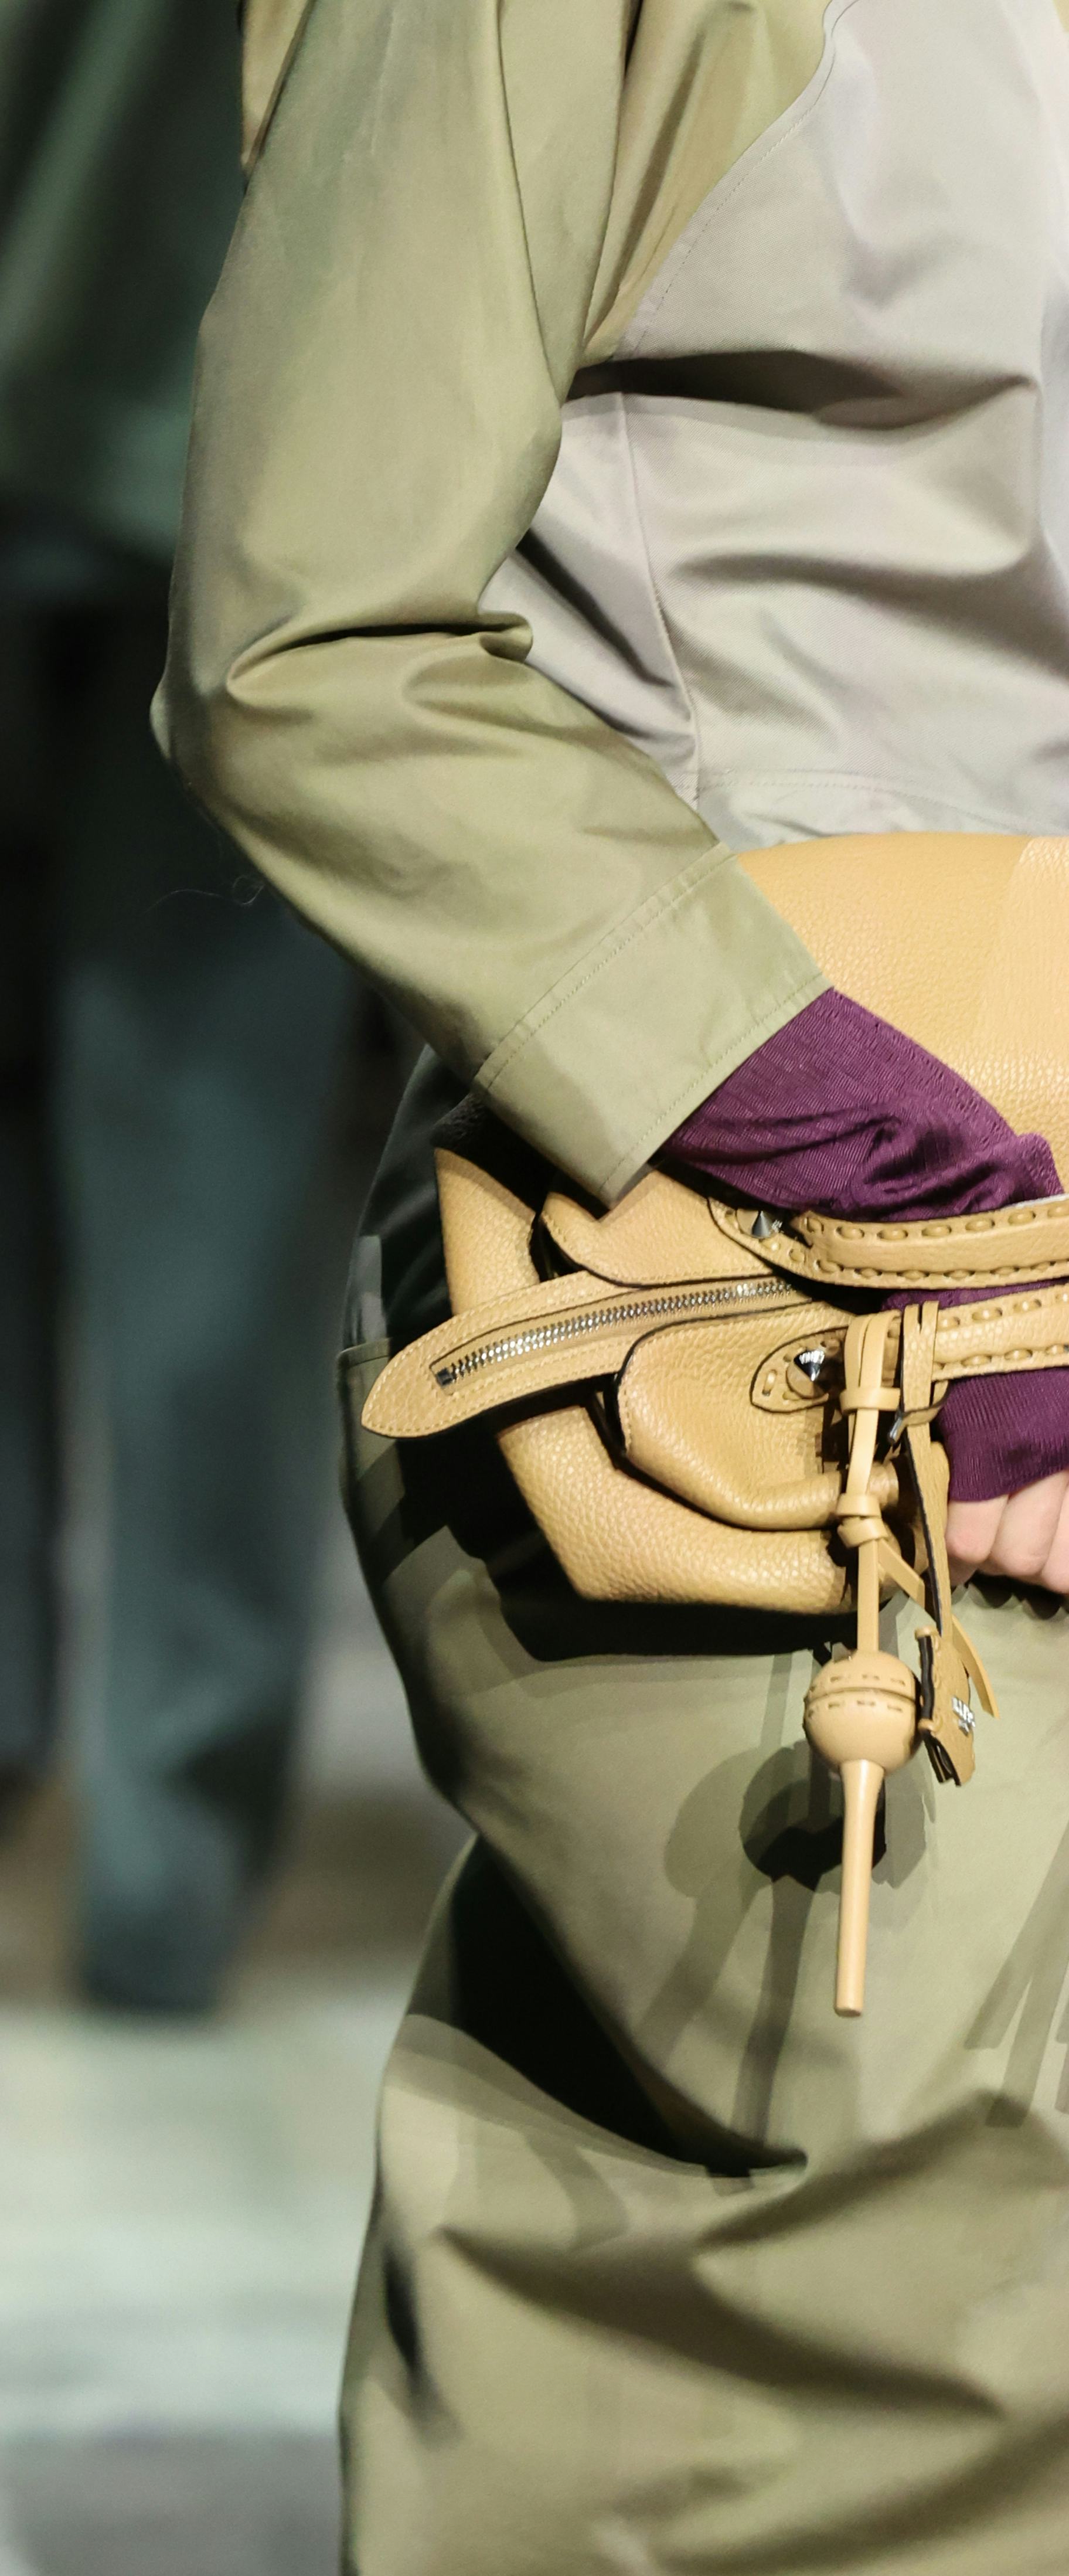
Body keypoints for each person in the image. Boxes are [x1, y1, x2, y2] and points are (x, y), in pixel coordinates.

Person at [161, 3, 1069, 2576]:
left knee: (664, 2448)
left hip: (987, 1326)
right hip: (707, 1339)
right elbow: (305, 641)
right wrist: (931, 1202)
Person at [0, 0, 358, 2010]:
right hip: (229, 451)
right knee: (207, 1176)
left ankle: (111, 1807)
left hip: (196, 453)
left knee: (192, 1163)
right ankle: (170, 1846)